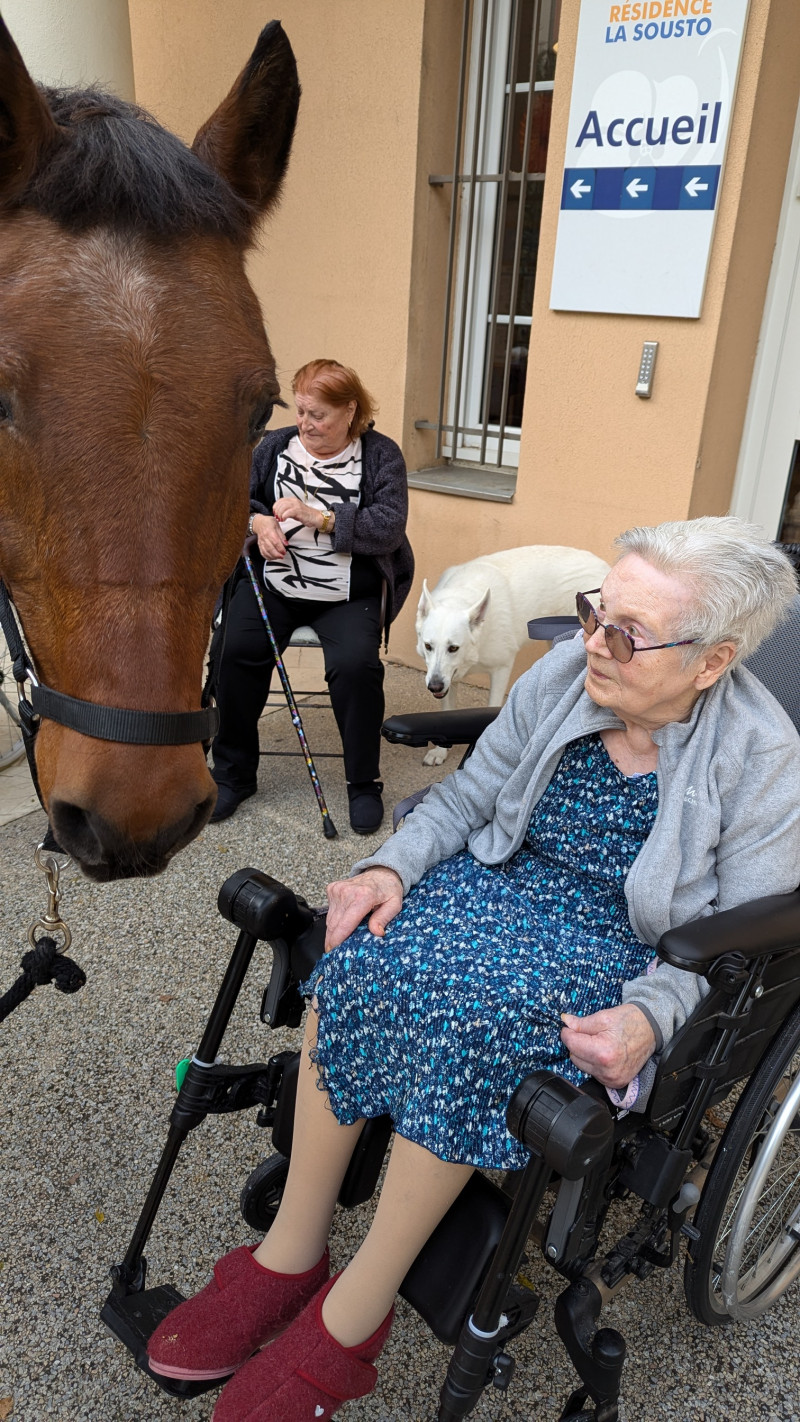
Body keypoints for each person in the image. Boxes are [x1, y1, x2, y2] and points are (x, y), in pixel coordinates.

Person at [149, 517, 800, 1420]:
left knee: (473, 1021)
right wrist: (388, 867)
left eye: (626, 632)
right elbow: (466, 797)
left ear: (712, 660)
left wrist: (650, 1017)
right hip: (501, 878)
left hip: (623, 945)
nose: (592, 643)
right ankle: (289, 1252)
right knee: (364, 948)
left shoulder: (764, 759)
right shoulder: (566, 677)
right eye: (593, 612)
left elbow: (738, 938)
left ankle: (353, 1317)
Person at [209, 359, 414, 833]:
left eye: (318, 415)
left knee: (357, 667)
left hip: (346, 593)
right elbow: (234, 497)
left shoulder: (381, 456)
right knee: (233, 652)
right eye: (301, 411)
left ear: (350, 411)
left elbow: (387, 529)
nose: (305, 423)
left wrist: (317, 516)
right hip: (277, 585)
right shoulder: (276, 447)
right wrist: (258, 523)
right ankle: (234, 774)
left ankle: (363, 783)